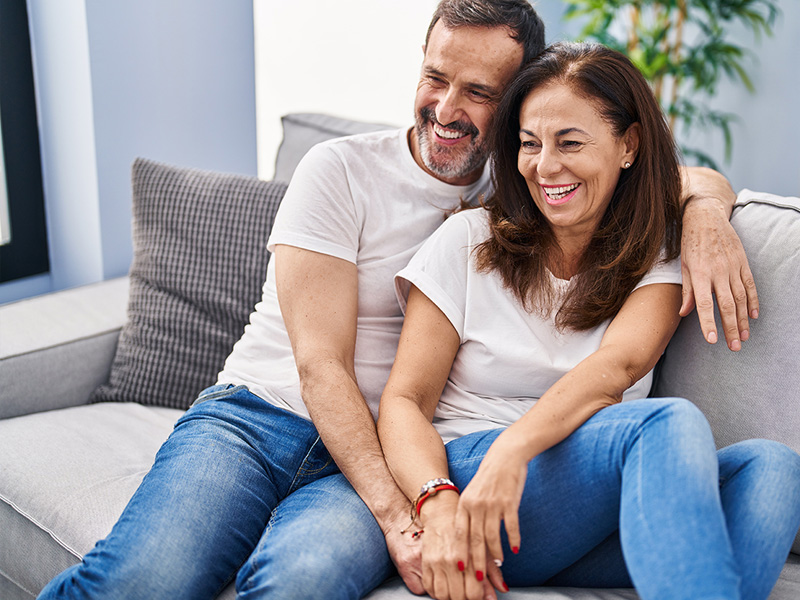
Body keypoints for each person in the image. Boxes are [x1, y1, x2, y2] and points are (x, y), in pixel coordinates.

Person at [39, 2, 760, 599]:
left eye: (478, 94)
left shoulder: (522, 190)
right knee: (146, 579)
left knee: (304, 578)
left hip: (386, 449)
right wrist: (404, 510)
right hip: (260, 420)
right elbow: (322, 367)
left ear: (516, 106)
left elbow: (668, 175)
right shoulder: (342, 170)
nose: (446, 109)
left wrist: (703, 216)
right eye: (435, 76)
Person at [377, 41, 800, 600]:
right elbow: (403, 401)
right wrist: (442, 499)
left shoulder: (654, 251)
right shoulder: (468, 242)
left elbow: (618, 364)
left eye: (569, 142)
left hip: (580, 508)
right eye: (530, 144)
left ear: (628, 145)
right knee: (662, 423)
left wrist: (704, 211)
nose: (545, 166)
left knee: (773, 471)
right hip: (478, 479)